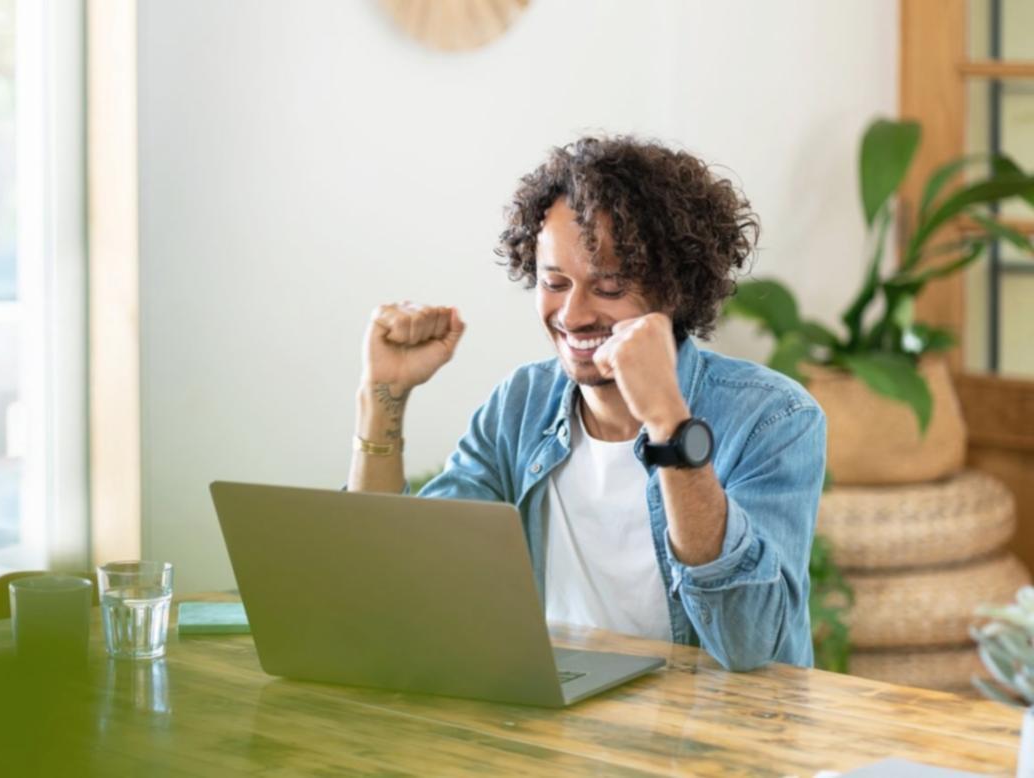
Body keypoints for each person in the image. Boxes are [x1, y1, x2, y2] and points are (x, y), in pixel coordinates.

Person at [347, 136, 826, 672]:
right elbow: (401, 579)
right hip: (559, 731)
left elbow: (750, 643)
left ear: (674, 290)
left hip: (721, 739)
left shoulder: (772, 418)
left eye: (610, 286)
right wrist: (382, 397)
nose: (572, 316)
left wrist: (669, 423)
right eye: (554, 282)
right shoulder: (520, 406)